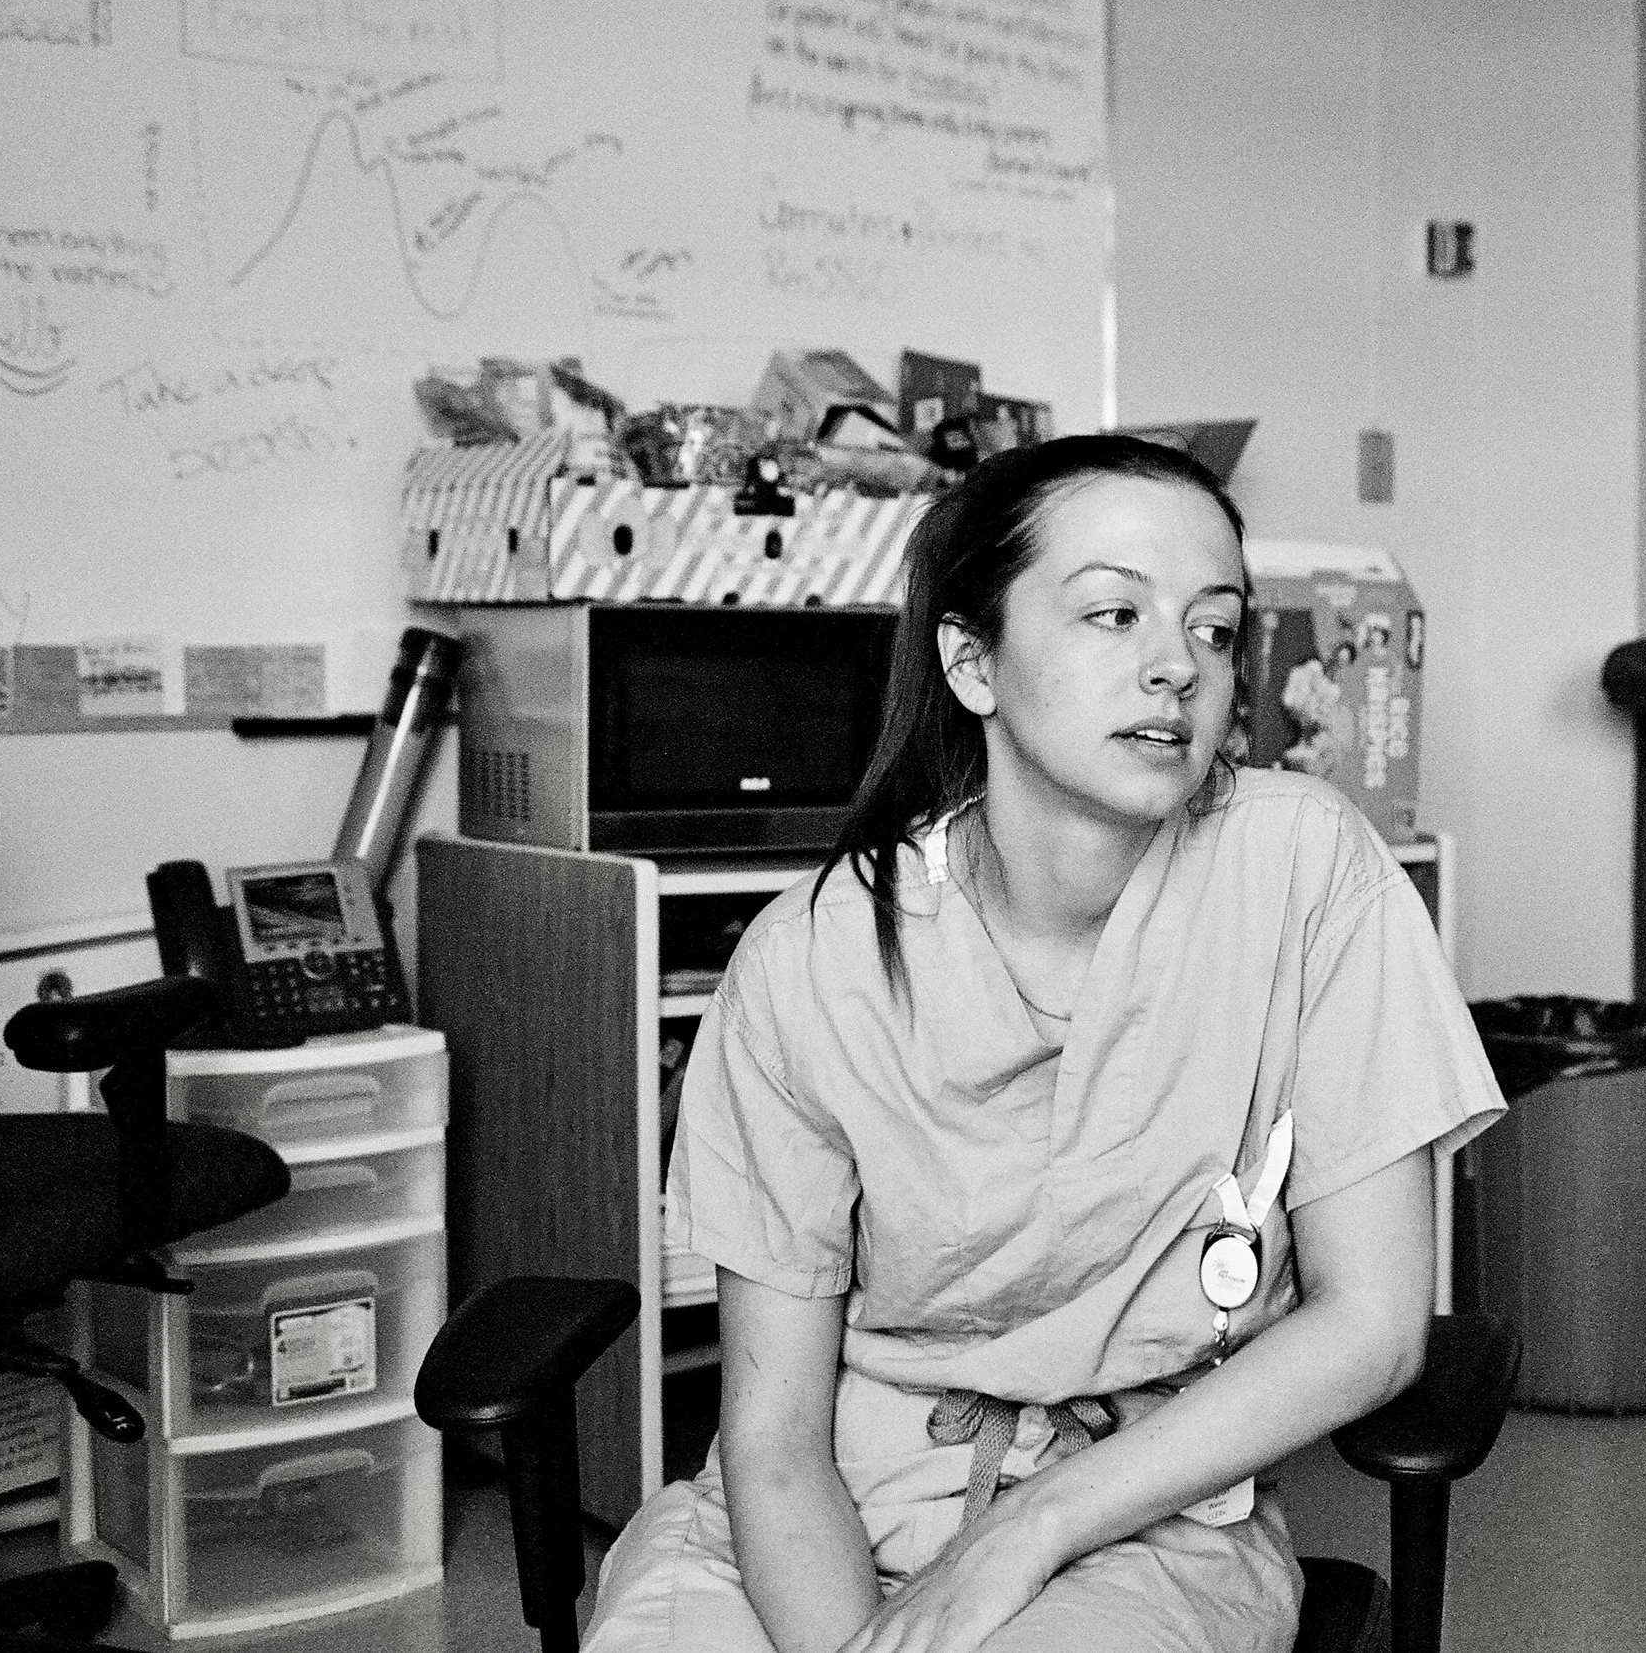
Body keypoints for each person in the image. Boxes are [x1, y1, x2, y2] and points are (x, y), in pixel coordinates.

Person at [586, 435, 1504, 1653]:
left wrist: (1029, 1528)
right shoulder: (812, 962)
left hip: (1143, 1513)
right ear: (972, 661)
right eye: (1115, 614)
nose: (1176, 665)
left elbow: (1374, 1323)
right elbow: (772, 1438)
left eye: (1215, 628)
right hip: (814, 1505)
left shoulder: (1304, 873)